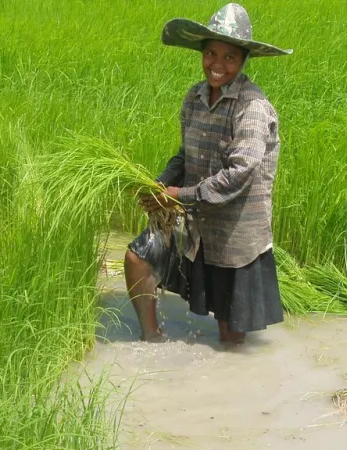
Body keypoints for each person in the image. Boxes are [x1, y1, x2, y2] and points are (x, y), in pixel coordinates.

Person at [124, 3, 292, 343]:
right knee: (137, 258)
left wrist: (178, 195)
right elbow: (185, 156)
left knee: (230, 337)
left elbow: (240, 172)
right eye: (211, 53)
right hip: (195, 218)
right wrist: (159, 183)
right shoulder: (195, 97)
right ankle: (151, 338)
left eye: (229, 57)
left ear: (244, 60)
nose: (217, 65)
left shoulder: (252, 106)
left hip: (235, 233)